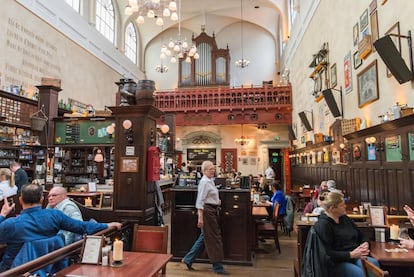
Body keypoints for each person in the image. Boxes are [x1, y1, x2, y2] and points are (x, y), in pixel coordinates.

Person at [0, 183, 122, 272]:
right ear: (42, 199)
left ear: (20, 200)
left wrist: (2, 215)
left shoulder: (11, 224)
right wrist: (107, 225)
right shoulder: (54, 216)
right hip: (50, 267)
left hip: (14, 271)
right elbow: (81, 226)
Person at [313, 191, 380, 276]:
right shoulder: (323, 225)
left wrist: (365, 243)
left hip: (355, 256)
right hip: (336, 263)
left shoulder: (344, 219)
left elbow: (361, 235)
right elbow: (326, 253)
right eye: (342, 205)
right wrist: (351, 255)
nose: (345, 206)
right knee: (362, 274)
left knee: (374, 264)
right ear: (332, 208)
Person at [182, 160, 228, 275]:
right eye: (210, 169)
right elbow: (200, 201)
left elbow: (210, 196)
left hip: (212, 210)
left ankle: (188, 259)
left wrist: (217, 201)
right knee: (214, 238)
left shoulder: (210, 181)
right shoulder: (204, 182)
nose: (213, 171)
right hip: (207, 213)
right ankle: (218, 267)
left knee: (204, 237)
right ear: (204, 170)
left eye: (213, 168)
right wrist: (200, 218)